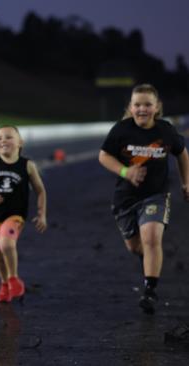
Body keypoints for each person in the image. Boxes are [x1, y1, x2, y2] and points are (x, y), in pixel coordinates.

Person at [98, 84, 189, 314]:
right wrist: (125, 172)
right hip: (125, 199)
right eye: (137, 104)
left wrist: (186, 182)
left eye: (147, 104)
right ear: (130, 106)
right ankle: (149, 263)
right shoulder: (121, 130)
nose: (142, 109)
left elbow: (182, 153)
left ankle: (150, 291)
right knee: (136, 247)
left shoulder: (166, 131)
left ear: (156, 107)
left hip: (156, 195)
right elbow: (104, 155)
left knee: (150, 238)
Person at [0, 125, 47, 303]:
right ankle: (4, 283)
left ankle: (13, 278)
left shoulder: (27, 165)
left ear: (20, 142)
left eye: (8, 137)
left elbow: (40, 191)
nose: (3, 140)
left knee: (6, 244)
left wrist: (41, 214)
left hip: (15, 216)